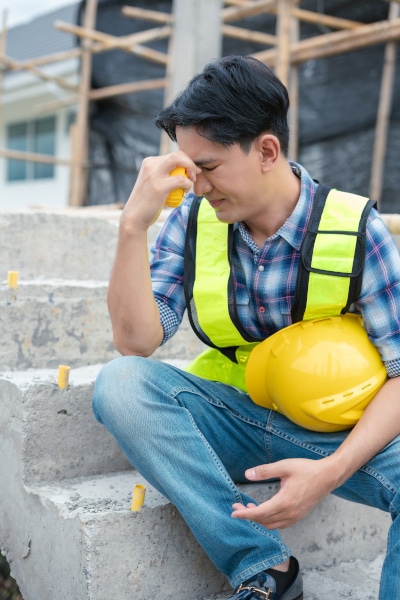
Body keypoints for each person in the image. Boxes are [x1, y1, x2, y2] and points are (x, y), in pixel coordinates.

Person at [92, 55, 400, 600]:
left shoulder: (356, 228)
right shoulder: (191, 221)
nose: (198, 187)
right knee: (121, 383)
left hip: (337, 435)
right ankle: (263, 565)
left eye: (207, 167)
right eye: (189, 169)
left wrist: (330, 471)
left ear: (266, 151)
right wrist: (131, 227)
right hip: (234, 418)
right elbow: (136, 341)